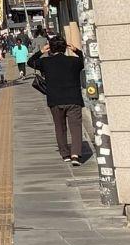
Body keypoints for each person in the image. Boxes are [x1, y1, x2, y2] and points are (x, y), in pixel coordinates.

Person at [29, 36, 87, 165]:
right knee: (76, 127)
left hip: (55, 99)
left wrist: (41, 52)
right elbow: (85, 60)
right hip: (74, 99)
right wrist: (76, 50)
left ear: (50, 48)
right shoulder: (74, 61)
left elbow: (30, 62)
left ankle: (65, 153)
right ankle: (76, 155)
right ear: (65, 47)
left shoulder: (46, 62)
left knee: (60, 127)